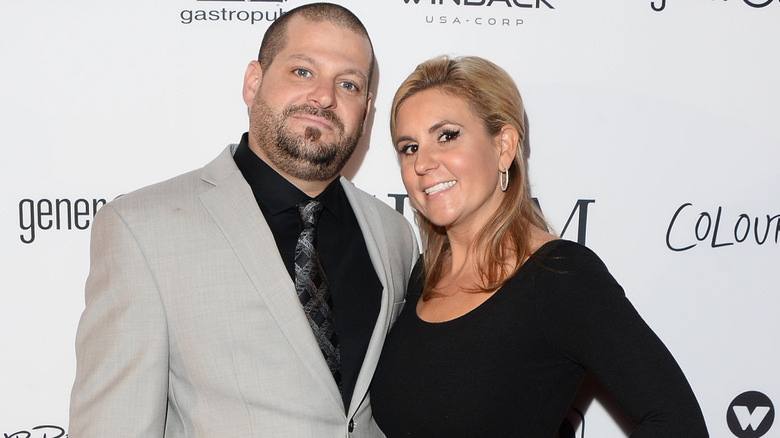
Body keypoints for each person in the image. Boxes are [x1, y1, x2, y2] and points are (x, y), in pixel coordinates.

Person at [68, 3, 418, 437]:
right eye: (303, 71)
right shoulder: (141, 228)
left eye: (348, 84)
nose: (324, 96)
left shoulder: (394, 234)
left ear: (365, 112)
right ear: (254, 82)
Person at [370, 56, 708, 437]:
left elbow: (677, 423)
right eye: (409, 147)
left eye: (447, 136)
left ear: (504, 146)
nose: (423, 163)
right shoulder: (424, 275)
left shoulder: (559, 276)